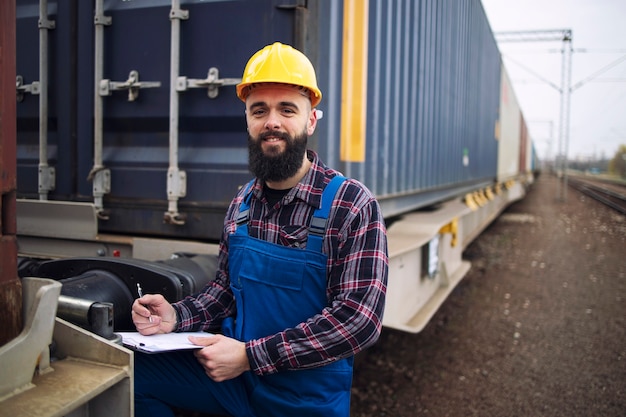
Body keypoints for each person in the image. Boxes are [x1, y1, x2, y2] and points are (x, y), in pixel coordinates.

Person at [131, 42, 388, 417]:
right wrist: (176, 316)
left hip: (304, 399)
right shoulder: (242, 204)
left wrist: (251, 357)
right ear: (248, 121)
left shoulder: (351, 205)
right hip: (237, 382)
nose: (272, 121)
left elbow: (358, 320)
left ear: (311, 120)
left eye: (287, 109)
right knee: (131, 375)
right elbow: (224, 292)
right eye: (259, 110)